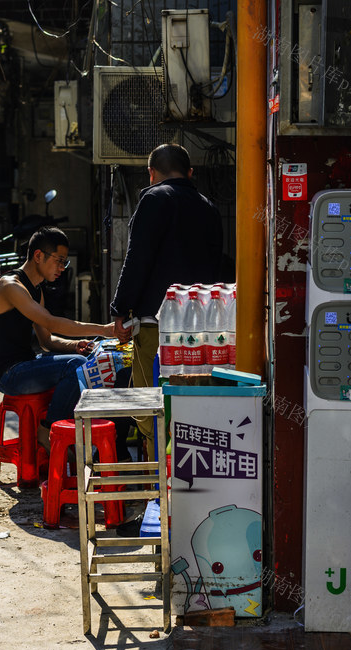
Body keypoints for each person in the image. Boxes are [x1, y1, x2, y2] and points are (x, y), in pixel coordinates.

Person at [110, 143, 224, 444]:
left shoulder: (155, 199)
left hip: (157, 326)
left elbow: (138, 258)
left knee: (152, 407)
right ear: (189, 173)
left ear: (151, 173)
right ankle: (185, 480)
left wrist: (120, 309)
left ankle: (156, 483)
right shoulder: (209, 208)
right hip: (203, 331)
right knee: (192, 406)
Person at [0, 226, 114, 446]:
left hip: (27, 363)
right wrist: (103, 330)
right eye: (59, 260)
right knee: (76, 366)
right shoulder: (10, 286)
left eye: (65, 262)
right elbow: (50, 322)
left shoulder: (36, 289)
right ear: (38, 255)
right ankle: (49, 431)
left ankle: (76, 440)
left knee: (90, 360)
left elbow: (47, 341)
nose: (62, 268)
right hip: (8, 374)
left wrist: (75, 345)